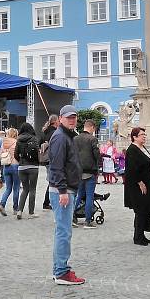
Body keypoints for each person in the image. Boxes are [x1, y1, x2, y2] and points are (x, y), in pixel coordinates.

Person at [48, 105, 85, 285]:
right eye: (68, 117)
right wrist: (62, 190)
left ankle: (60, 269)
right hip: (62, 191)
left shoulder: (67, 136)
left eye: (74, 117)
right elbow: (55, 166)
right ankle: (61, 272)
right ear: (60, 119)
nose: (72, 120)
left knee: (63, 231)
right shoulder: (60, 137)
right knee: (64, 232)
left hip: (66, 189)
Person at [124, 127, 150, 246]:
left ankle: (141, 234)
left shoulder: (141, 148)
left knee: (143, 209)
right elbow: (131, 169)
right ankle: (138, 237)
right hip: (138, 185)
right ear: (134, 137)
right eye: (141, 134)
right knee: (140, 209)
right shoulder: (132, 150)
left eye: (144, 134)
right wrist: (139, 182)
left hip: (146, 182)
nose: (144, 136)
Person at [73, 119, 100, 229]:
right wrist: (98, 166)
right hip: (90, 171)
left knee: (78, 195)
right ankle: (88, 221)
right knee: (89, 196)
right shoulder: (93, 139)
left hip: (78, 172)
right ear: (92, 127)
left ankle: (73, 217)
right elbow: (97, 155)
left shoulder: (75, 139)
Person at [14, 122, 41, 219]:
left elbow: (15, 155)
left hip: (22, 167)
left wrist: (21, 161)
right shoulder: (34, 138)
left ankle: (19, 210)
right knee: (32, 189)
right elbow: (38, 152)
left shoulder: (19, 139)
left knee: (25, 189)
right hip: (33, 166)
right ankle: (31, 212)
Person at [0, 128, 21, 217]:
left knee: (8, 188)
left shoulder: (4, 142)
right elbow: (19, 155)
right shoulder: (17, 142)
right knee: (16, 188)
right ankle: (15, 208)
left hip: (6, 166)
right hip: (15, 166)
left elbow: (0, 154)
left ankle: (2, 204)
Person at [41, 115, 59, 210]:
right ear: (55, 122)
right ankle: (48, 202)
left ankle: (47, 202)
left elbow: (40, 143)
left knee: (51, 181)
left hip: (46, 160)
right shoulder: (55, 132)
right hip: (53, 159)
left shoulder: (44, 132)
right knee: (53, 181)